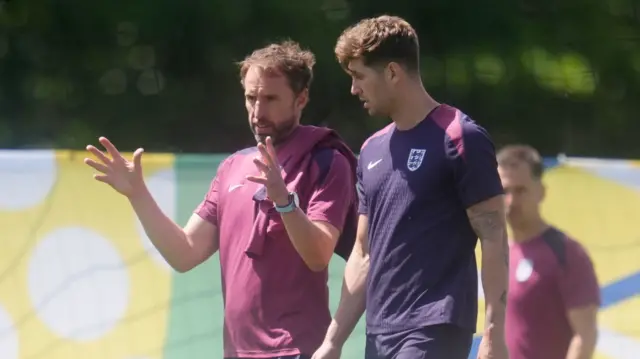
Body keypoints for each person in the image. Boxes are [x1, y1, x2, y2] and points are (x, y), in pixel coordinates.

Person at [84, 40, 359, 359]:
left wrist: (283, 200)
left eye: (270, 99)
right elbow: (184, 253)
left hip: (297, 350)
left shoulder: (326, 161)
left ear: (301, 99)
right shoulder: (231, 168)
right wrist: (138, 194)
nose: (258, 111)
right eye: (250, 97)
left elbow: (319, 254)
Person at [312, 15, 509, 359]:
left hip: (435, 328)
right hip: (380, 332)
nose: (353, 89)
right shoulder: (372, 149)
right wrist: (333, 341)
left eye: (359, 76)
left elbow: (493, 237)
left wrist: (494, 334)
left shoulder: (461, 136)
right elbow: (363, 253)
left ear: (392, 72)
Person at [497, 144, 600, 359]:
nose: (511, 201)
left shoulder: (567, 252)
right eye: (505, 191)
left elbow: (585, 336)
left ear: (541, 192)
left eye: (520, 190)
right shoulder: (500, 253)